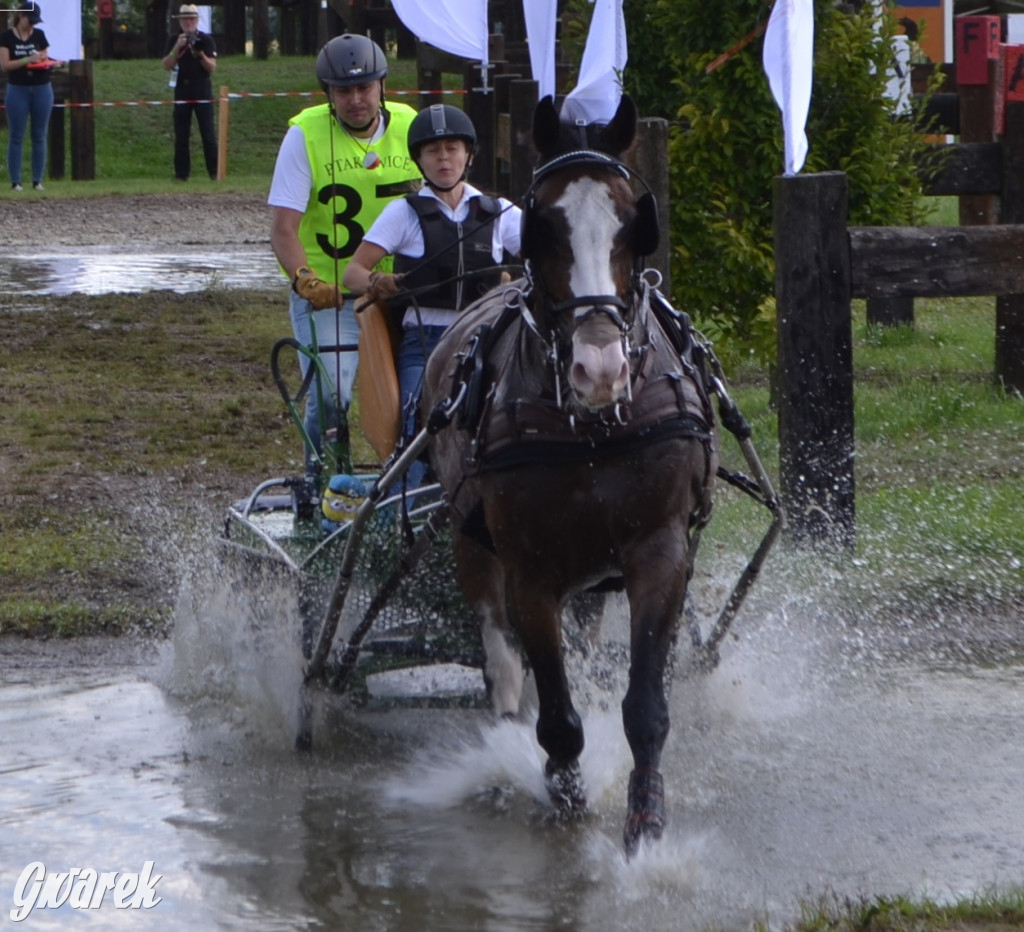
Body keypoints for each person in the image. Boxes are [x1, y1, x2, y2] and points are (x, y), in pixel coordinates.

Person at [343, 104, 521, 487]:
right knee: (414, 426)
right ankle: (409, 505)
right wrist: (377, 282)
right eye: (433, 150)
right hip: (424, 342)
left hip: (487, 340)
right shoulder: (402, 213)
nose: (444, 158)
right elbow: (352, 273)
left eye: (453, 148)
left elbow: (547, 250)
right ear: (419, 160)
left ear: (469, 155)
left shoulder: (498, 212)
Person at [268, 33, 421, 476]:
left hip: (401, 289)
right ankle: (324, 486)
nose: (356, 99)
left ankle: (417, 483)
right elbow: (283, 228)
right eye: (344, 91)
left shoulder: (414, 128)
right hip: (331, 295)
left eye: (365, 88)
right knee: (332, 392)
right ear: (328, 94)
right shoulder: (305, 135)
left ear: (382, 86)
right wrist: (304, 279)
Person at [161, 3, 218, 182]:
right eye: (185, 19)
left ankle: (214, 172)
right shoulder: (173, 40)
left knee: (208, 133)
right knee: (181, 134)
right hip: (182, 89)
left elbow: (212, 68)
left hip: (202, 89)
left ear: (197, 20)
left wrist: (200, 54)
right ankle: (181, 174)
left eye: (192, 19)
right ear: (180, 22)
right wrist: (177, 47)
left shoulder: (206, 40)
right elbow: (166, 65)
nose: (188, 22)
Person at [0, 2, 54, 192]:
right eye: (29, 21)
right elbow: (5, 65)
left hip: (41, 87)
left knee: (39, 134)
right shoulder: (6, 37)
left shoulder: (39, 35)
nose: (31, 25)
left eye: (34, 22)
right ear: (21, 16)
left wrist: (45, 61)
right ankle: (16, 181)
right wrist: (26, 60)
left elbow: (45, 55)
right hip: (18, 89)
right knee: (16, 135)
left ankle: (37, 180)